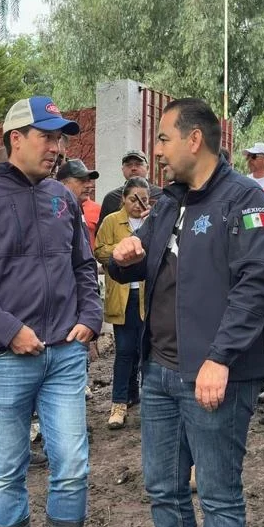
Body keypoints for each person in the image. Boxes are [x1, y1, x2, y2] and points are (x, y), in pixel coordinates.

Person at [109, 98, 264, 527]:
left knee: (219, 498)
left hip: (213, 377)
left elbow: (254, 288)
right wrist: (122, 256)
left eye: (164, 139)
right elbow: (137, 258)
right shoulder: (168, 201)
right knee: (163, 489)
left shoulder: (244, 199)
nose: (159, 151)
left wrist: (219, 358)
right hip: (160, 370)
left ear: (195, 139)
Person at [0, 95, 103, 527]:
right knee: (8, 470)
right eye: (47, 137)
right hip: (5, 358)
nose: (57, 148)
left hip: (65, 352)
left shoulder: (61, 199)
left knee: (71, 466)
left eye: (60, 139)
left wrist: (90, 316)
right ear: (16, 138)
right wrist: (11, 331)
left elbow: (83, 264)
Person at [94, 177, 150, 429]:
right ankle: (118, 403)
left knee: (145, 350)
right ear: (123, 199)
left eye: (144, 200)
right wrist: (124, 248)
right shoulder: (111, 221)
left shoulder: (154, 221)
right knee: (125, 351)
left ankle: (139, 397)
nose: (138, 204)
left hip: (149, 297)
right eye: (133, 199)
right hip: (123, 294)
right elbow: (99, 251)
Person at [98, 150, 164, 227]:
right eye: (129, 165)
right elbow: (102, 233)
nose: (133, 168)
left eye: (138, 164)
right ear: (122, 169)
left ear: (147, 168)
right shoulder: (111, 198)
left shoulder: (162, 195)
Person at [56, 158, 101, 248]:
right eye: (82, 180)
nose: (89, 185)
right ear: (63, 183)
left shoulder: (80, 208)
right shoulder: (54, 212)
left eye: (89, 181)